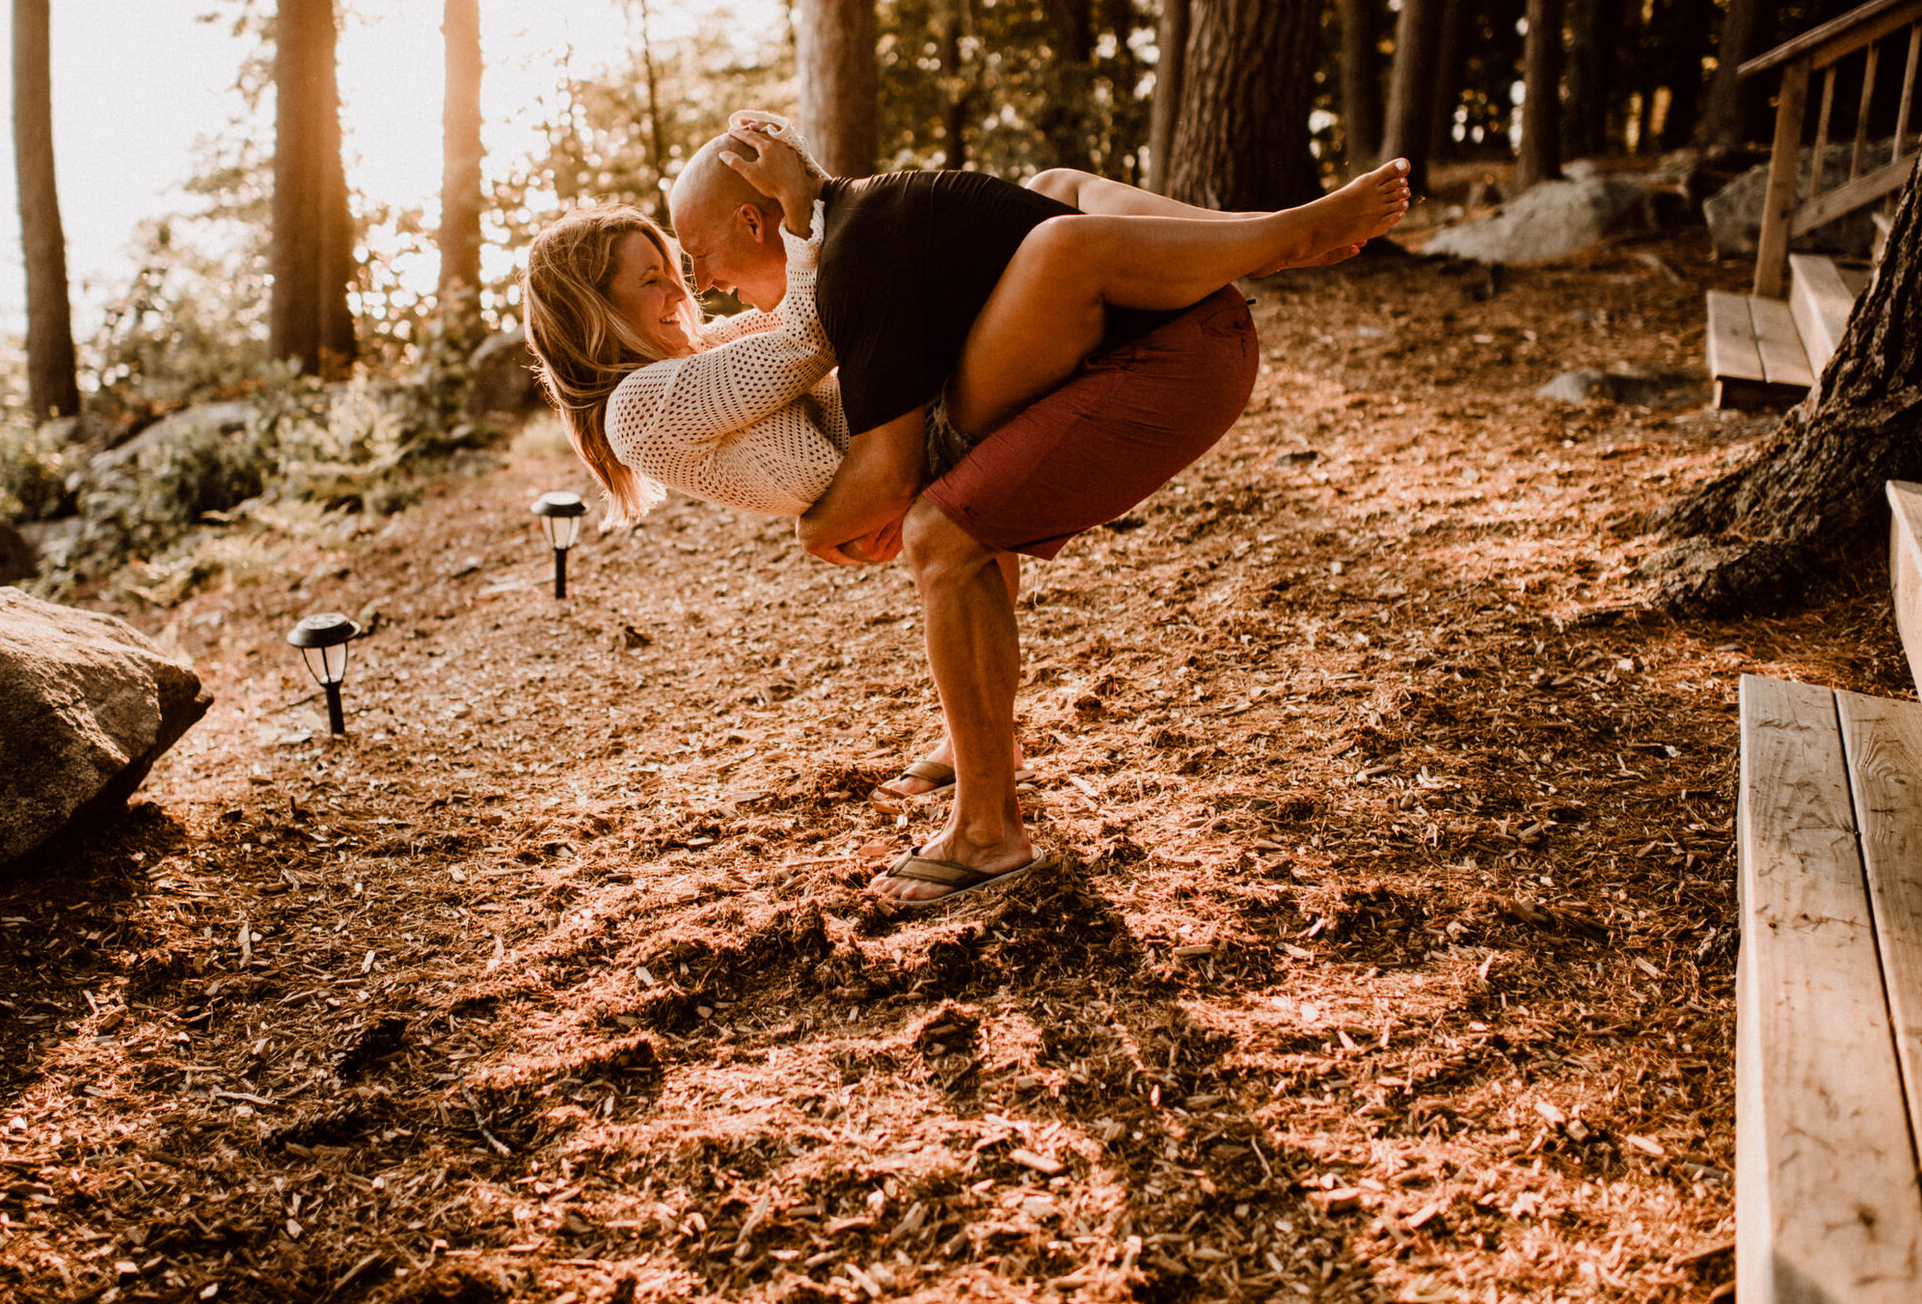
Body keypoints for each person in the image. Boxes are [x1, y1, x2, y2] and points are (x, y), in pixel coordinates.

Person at [524, 122, 1409, 904]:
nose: (692, 291)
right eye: (655, 281)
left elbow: (803, 328)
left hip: (917, 432)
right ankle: (1279, 237)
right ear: (595, 318)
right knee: (1048, 273)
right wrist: (805, 217)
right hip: (918, 445)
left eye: (682, 266)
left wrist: (814, 223)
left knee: (1056, 197)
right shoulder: (641, 404)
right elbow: (804, 337)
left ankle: (1265, 236)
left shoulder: (685, 363)